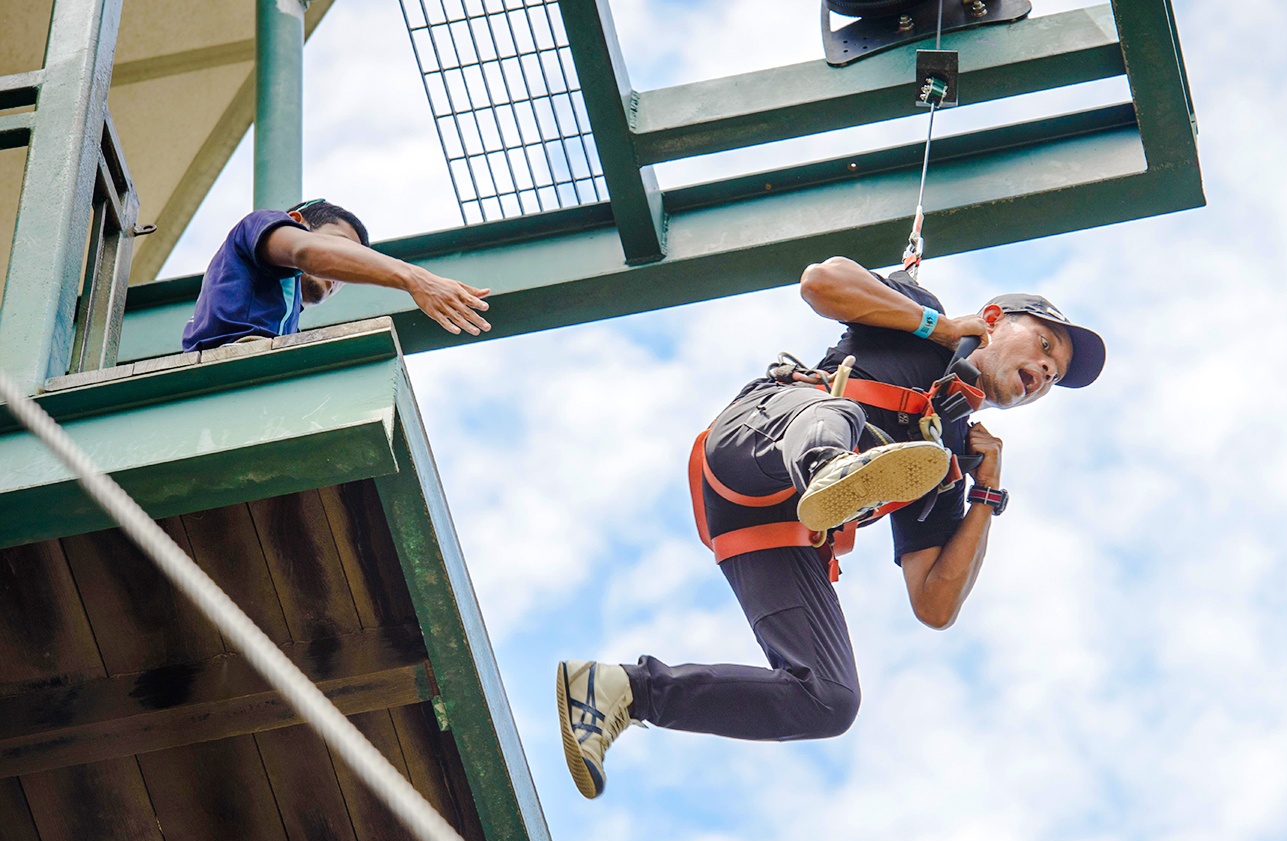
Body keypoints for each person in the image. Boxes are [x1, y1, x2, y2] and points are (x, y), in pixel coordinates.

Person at [555, 256, 1107, 799]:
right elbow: (820, 282)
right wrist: (937, 327)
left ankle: (619, 690)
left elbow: (934, 605)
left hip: (766, 529)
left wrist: (983, 495)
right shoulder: (922, 319)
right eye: (1045, 346)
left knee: (828, 699)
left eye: (1055, 375)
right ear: (992, 320)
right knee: (842, 413)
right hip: (760, 436)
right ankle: (829, 465)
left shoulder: (948, 460)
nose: (1048, 373)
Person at [181, 198, 491, 353]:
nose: (340, 274)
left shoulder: (282, 315)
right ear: (295, 222)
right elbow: (305, 252)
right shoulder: (260, 225)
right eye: (342, 247)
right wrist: (414, 277)